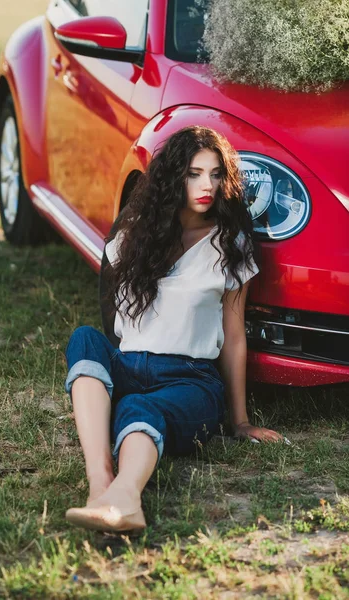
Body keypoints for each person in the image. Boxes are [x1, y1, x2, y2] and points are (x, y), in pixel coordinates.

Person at [64, 126, 282, 533]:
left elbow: (234, 337)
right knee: (85, 340)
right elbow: (115, 313)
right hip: (129, 366)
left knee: (137, 409)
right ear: (172, 178)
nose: (207, 186)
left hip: (191, 381)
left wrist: (239, 421)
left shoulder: (230, 244)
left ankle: (126, 500)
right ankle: (100, 486)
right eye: (194, 173)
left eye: (216, 174)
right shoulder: (135, 233)